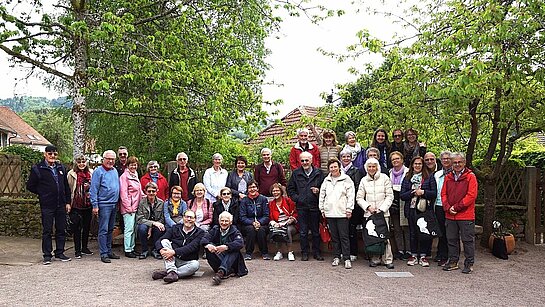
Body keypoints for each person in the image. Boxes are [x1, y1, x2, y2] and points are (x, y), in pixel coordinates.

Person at [26, 145, 72, 264]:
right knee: (47, 230)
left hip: (61, 204)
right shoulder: (38, 168)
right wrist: (43, 193)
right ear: (45, 154)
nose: (52, 156)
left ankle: (60, 252)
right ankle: (47, 255)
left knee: (61, 229)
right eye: (50, 154)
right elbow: (30, 186)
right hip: (47, 204)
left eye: (54, 154)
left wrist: (67, 202)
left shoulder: (61, 167)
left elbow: (66, 186)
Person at [441, 152, 478, 274]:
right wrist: (447, 207)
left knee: (467, 240)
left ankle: (469, 263)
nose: (457, 164)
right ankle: (453, 261)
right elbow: (443, 193)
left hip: (465, 215)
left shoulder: (470, 176)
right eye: (455, 162)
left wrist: (456, 207)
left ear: (464, 163)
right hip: (450, 214)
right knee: (451, 239)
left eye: (459, 162)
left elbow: (471, 195)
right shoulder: (448, 177)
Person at [356, 158, 395, 269]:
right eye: (369, 167)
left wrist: (382, 209)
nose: (372, 169)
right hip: (369, 214)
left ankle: (387, 259)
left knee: (385, 237)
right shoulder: (364, 180)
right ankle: (375, 258)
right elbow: (359, 198)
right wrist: (368, 207)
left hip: (383, 213)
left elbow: (390, 196)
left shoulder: (385, 178)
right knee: (372, 237)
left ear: (377, 167)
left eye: (374, 166)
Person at [287, 151, 325, 261]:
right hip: (301, 207)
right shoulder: (296, 173)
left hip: (314, 206)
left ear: (311, 160)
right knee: (303, 232)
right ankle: (304, 252)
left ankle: (317, 252)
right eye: (302, 160)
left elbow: (325, 188)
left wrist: (318, 191)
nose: (304, 162)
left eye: (306, 160)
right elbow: (290, 189)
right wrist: (298, 199)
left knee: (315, 231)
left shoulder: (319, 173)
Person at [400, 156, 437, 267]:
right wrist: (412, 192)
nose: (417, 166)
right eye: (415, 164)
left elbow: (434, 193)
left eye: (419, 164)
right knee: (413, 233)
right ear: (412, 165)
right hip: (411, 209)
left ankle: (423, 255)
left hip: (424, 209)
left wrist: (423, 192)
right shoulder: (407, 177)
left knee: (424, 233)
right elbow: (402, 195)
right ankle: (414, 254)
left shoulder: (429, 177)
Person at [152, 209, 205, 283]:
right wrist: (160, 249)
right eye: (186, 217)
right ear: (183, 218)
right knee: (164, 241)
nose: (188, 219)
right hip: (172, 259)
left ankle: (170, 272)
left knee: (195, 265)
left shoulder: (200, 232)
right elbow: (159, 240)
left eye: (191, 217)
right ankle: (172, 271)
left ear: (195, 219)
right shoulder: (175, 228)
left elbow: (191, 247)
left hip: (187, 262)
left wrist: (173, 252)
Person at [319, 159, 355, 269]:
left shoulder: (346, 179)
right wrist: (322, 209)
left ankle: (347, 258)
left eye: (335, 167)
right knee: (334, 237)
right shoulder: (326, 180)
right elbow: (322, 195)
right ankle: (336, 257)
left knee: (344, 237)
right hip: (330, 213)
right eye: (331, 167)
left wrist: (349, 209)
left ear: (339, 167)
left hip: (342, 213)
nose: (333, 169)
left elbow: (351, 195)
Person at [90, 150, 121, 263]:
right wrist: (95, 205)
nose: (110, 161)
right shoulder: (98, 172)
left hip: (114, 204)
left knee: (110, 229)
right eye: (108, 159)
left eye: (113, 159)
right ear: (103, 159)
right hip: (104, 205)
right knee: (103, 229)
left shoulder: (114, 171)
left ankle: (108, 250)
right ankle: (103, 253)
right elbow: (93, 190)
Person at [201, 211, 248, 285]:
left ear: (230, 222)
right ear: (219, 221)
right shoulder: (215, 229)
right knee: (208, 247)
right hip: (219, 258)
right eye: (222, 220)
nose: (224, 223)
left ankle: (221, 273)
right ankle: (223, 271)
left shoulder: (235, 231)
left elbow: (240, 243)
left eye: (226, 221)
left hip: (232, 262)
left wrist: (226, 247)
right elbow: (204, 239)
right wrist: (208, 245)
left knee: (234, 250)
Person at [67, 155, 94, 259]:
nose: (81, 164)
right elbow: (69, 189)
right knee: (77, 228)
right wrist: (68, 203)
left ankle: (85, 247)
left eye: (83, 162)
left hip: (88, 204)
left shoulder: (91, 173)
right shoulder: (71, 174)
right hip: (76, 205)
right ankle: (77, 250)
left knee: (87, 227)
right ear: (76, 163)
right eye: (79, 162)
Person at [340, 149, 364, 262]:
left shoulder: (356, 170)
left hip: (352, 204)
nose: (346, 158)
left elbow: (357, 187)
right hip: (340, 205)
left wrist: (352, 203)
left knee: (352, 229)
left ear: (351, 158)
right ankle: (343, 251)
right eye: (343, 156)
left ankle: (353, 252)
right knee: (342, 230)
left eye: (348, 156)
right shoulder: (337, 171)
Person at [119, 156, 145, 258]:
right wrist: (127, 207)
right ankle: (127, 249)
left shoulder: (135, 175)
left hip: (136, 206)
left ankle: (132, 248)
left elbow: (139, 191)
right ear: (127, 165)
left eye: (135, 164)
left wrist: (145, 196)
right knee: (128, 229)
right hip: (128, 207)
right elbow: (123, 193)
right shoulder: (124, 177)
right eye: (131, 164)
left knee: (134, 229)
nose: (133, 166)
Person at [240, 180, 270, 260]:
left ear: (257, 188)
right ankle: (248, 253)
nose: (252, 189)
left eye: (254, 187)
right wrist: (252, 222)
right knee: (251, 230)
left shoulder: (263, 199)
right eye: (250, 187)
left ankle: (264, 253)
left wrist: (259, 222)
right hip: (248, 224)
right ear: (247, 189)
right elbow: (242, 217)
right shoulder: (244, 200)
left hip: (262, 223)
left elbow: (266, 215)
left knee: (261, 230)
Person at [388, 151, 410, 260]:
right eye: (393, 159)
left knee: (405, 227)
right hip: (393, 202)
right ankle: (400, 250)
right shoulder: (389, 172)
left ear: (402, 160)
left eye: (397, 159)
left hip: (405, 201)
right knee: (396, 228)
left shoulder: (408, 172)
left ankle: (408, 250)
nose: (395, 161)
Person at [136, 182, 166, 260]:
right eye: (149, 191)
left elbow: (162, 218)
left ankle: (155, 250)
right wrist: (152, 224)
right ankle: (144, 250)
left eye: (153, 191)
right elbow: (140, 218)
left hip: (157, 224)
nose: (151, 193)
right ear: (145, 191)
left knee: (160, 228)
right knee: (142, 228)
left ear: (157, 191)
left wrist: (153, 226)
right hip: (145, 223)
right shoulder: (142, 202)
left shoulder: (161, 203)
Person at [269, 183, 298, 261]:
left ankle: (290, 252)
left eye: (277, 190)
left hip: (289, 224)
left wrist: (291, 220)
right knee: (276, 230)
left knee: (287, 230)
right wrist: (274, 223)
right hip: (278, 224)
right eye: (273, 191)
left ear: (281, 191)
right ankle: (279, 252)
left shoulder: (288, 201)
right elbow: (270, 217)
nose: (275, 193)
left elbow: (295, 213)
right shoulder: (271, 204)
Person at [434, 151, 452, 266]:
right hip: (438, 205)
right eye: (443, 159)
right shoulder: (437, 174)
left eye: (448, 159)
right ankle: (441, 253)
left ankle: (448, 255)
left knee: (449, 232)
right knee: (441, 231)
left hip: (450, 206)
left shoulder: (455, 174)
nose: (445, 160)